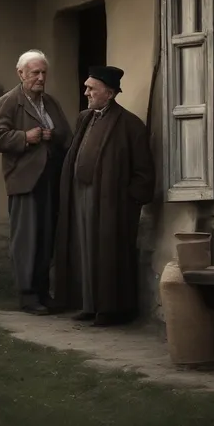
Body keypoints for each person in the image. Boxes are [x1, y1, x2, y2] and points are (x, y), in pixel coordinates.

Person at [54, 66, 155, 326]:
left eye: (91, 88)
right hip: (82, 195)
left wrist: (127, 201)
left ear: (109, 93)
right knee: (85, 250)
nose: (86, 92)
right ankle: (88, 304)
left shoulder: (130, 125)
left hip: (112, 203)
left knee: (107, 255)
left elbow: (144, 172)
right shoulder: (85, 118)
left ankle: (110, 309)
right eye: (87, 87)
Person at [0, 50, 72, 314]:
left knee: (46, 237)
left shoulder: (50, 102)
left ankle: (43, 292)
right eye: (35, 72)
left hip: (49, 179)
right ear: (21, 73)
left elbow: (66, 135)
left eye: (43, 72)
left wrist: (52, 134)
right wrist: (25, 137)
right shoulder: (10, 101)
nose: (40, 77)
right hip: (24, 179)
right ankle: (27, 296)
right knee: (26, 239)